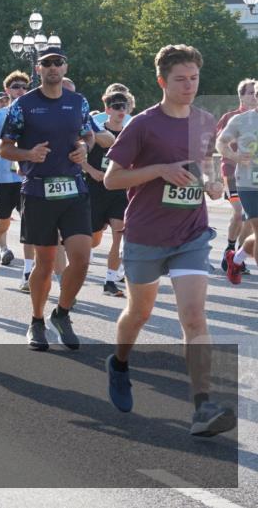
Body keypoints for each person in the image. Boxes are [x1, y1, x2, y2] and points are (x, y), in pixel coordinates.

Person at [104, 44, 236, 437]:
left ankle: (202, 406)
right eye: (180, 79)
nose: (189, 86)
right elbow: (112, 179)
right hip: (146, 234)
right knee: (139, 313)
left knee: (194, 317)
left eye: (194, 78)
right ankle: (120, 363)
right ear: (162, 81)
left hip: (191, 234)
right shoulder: (142, 124)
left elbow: (208, 167)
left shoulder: (205, 120)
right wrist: (160, 169)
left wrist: (213, 184)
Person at [0, 46, 97, 351]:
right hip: (38, 190)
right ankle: (37, 320)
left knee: (82, 258)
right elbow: (4, 147)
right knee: (45, 262)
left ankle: (62, 313)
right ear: (38, 70)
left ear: (65, 68)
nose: (53, 68)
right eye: (47, 64)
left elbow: (89, 135)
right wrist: (28, 154)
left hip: (73, 188)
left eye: (58, 63)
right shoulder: (23, 105)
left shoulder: (77, 102)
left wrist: (85, 148)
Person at [0, 72, 33, 285]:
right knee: (2, 224)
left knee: (30, 224)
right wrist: (11, 149)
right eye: (15, 87)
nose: (20, 90)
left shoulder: (33, 113)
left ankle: (28, 273)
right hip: (2, 177)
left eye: (23, 86)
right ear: (7, 91)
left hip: (27, 178)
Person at [83, 91, 131, 296]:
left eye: (124, 106)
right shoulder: (98, 134)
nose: (121, 110)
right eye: (117, 106)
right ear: (107, 109)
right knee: (93, 240)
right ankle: (76, 258)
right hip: (95, 190)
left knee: (119, 235)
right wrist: (92, 171)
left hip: (118, 192)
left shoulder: (130, 135)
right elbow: (79, 157)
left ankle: (110, 281)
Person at [216, 81, 258, 283]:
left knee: (253, 229)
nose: (253, 96)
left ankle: (237, 257)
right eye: (252, 93)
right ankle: (232, 248)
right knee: (246, 219)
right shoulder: (238, 119)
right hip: (245, 181)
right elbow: (219, 142)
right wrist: (235, 157)